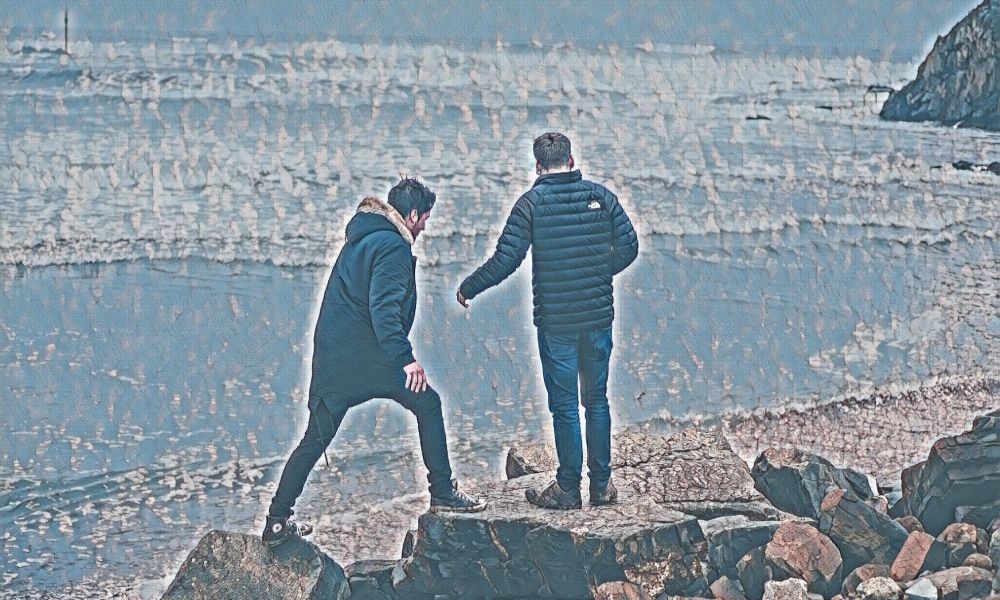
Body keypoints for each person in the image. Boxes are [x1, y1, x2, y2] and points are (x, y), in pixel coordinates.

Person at [263, 178, 486, 548]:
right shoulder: (393, 247)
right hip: (373, 357)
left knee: (315, 438)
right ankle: (443, 492)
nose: (426, 226)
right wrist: (406, 360)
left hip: (337, 360)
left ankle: (276, 521)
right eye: (425, 218)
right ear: (412, 214)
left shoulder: (362, 238)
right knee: (428, 404)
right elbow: (383, 310)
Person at [457, 132, 638, 510]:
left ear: (538, 166)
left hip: (557, 322)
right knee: (597, 400)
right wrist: (598, 274)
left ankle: (568, 488)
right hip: (598, 316)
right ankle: (602, 487)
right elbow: (629, 246)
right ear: (571, 160)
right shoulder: (601, 197)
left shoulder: (531, 204)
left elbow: (506, 261)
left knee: (566, 407)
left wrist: (469, 287)